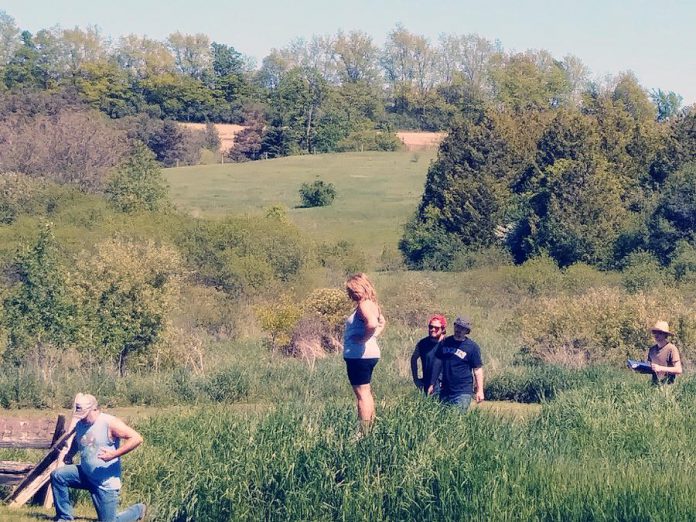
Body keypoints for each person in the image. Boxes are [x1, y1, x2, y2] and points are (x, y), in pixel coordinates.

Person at [51, 393, 147, 522]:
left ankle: (138, 510)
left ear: (94, 409)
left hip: (105, 483)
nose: (82, 419)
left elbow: (137, 438)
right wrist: (69, 455)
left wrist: (114, 454)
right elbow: (80, 441)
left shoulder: (109, 423)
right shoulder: (80, 424)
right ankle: (64, 518)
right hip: (85, 474)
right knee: (58, 475)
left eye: (85, 415)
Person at [343, 273, 386, 435]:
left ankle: (363, 433)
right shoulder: (372, 304)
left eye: (355, 290)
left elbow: (373, 323)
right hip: (367, 354)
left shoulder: (364, 305)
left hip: (359, 356)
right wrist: (372, 336)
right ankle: (370, 429)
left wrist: (363, 338)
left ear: (364, 288)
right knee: (366, 392)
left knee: (362, 395)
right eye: (350, 291)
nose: (353, 294)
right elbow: (382, 322)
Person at [428, 316, 484, 412]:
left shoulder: (472, 347)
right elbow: (437, 363)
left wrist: (480, 391)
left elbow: (477, 370)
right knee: (443, 420)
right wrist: (432, 383)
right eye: (457, 326)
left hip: (462, 391)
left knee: (456, 419)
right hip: (445, 390)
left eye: (462, 328)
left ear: (467, 331)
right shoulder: (445, 343)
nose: (459, 330)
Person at [410, 314, 447, 393]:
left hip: (444, 386)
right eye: (431, 327)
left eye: (436, 328)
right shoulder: (423, 343)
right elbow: (413, 359)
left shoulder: (448, 344)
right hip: (426, 383)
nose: (433, 329)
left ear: (443, 329)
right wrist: (416, 379)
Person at [647, 320, 682, 385]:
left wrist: (660, 368)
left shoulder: (671, 349)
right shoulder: (652, 350)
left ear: (665, 335)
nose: (656, 335)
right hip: (654, 386)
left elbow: (679, 370)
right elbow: (650, 368)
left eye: (660, 332)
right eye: (655, 332)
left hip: (668, 387)